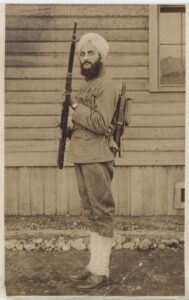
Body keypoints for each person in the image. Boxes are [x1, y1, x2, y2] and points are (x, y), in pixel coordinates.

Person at [66, 32, 118, 291]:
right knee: (91, 213)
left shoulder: (106, 84)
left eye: (91, 53)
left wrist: (76, 107)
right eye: (82, 54)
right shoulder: (86, 85)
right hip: (82, 155)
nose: (85, 59)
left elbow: (101, 124)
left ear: (101, 56)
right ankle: (93, 267)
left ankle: (103, 270)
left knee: (102, 213)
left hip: (97, 156)